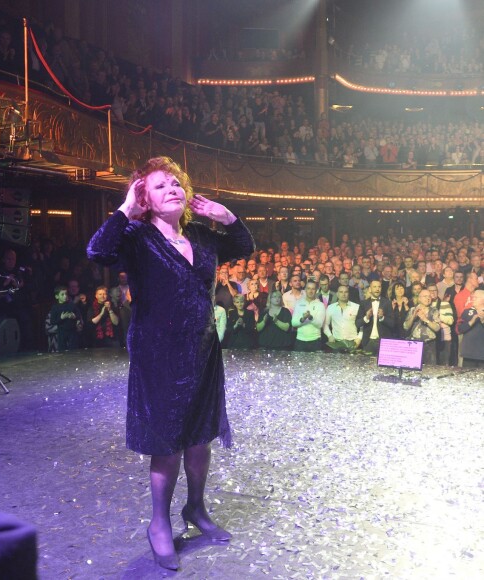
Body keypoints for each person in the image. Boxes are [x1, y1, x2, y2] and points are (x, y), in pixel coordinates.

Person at [86, 156, 254, 571]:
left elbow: (244, 246)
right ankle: (159, 523)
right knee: (167, 445)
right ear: (144, 197)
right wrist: (126, 207)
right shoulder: (137, 236)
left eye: (177, 182)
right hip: (158, 357)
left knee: (200, 438)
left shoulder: (200, 235)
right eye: (160, 186)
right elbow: (98, 250)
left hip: (203, 352)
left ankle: (194, 509)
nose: (173, 188)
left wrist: (228, 217)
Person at [402, 289, 441, 365]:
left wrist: (425, 320)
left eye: (429, 296)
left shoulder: (434, 311)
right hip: (414, 344)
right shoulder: (413, 310)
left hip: (429, 345)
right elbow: (405, 327)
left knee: (429, 369)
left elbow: (437, 328)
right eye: (425, 296)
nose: (428, 298)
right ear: (419, 298)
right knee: (413, 368)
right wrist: (413, 317)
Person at [356, 280, 394, 354]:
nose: (377, 289)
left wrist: (382, 318)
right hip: (368, 341)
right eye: (374, 287)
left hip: (383, 342)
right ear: (370, 289)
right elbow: (357, 323)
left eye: (379, 287)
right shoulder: (364, 303)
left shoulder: (387, 303)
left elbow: (392, 323)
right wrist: (366, 317)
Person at [324, 285, 362, 352]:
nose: (343, 294)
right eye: (341, 292)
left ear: (348, 294)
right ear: (337, 294)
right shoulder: (330, 307)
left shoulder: (356, 307)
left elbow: (363, 325)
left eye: (346, 292)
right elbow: (325, 325)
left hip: (353, 342)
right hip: (336, 343)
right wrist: (329, 335)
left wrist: (359, 338)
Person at [291, 281, 326, 351]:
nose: (310, 291)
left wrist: (310, 318)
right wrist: (303, 318)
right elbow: (293, 323)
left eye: (313, 289)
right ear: (305, 290)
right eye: (308, 288)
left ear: (316, 290)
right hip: (300, 340)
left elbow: (320, 324)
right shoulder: (298, 303)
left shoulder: (320, 305)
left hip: (315, 340)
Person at [49, 285, 82, 352]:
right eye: (62, 294)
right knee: (62, 350)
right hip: (62, 332)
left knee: (74, 350)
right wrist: (61, 318)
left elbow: (79, 316)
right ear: (57, 296)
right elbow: (52, 321)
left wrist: (75, 317)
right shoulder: (55, 307)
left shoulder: (71, 305)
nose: (65, 296)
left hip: (72, 331)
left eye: (66, 294)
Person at [457, 289, 484, 368]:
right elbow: (459, 329)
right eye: (473, 297)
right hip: (469, 354)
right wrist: (471, 322)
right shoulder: (466, 312)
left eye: (476, 297)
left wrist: (482, 320)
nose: (473, 299)